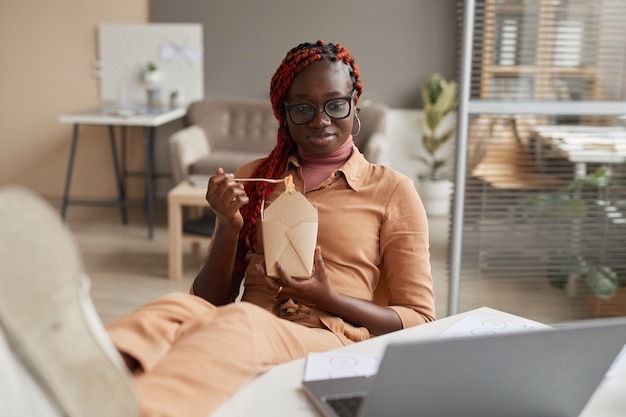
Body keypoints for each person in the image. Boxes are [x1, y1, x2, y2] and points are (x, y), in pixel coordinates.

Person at [0, 40, 435, 417]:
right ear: (283, 114)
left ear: (355, 102)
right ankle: (54, 381)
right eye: (302, 108)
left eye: (335, 104)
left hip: (328, 338)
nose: (320, 120)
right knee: (173, 312)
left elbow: (420, 320)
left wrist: (329, 298)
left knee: (239, 324)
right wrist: (229, 227)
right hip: (250, 318)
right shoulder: (257, 175)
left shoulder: (393, 191)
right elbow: (208, 300)